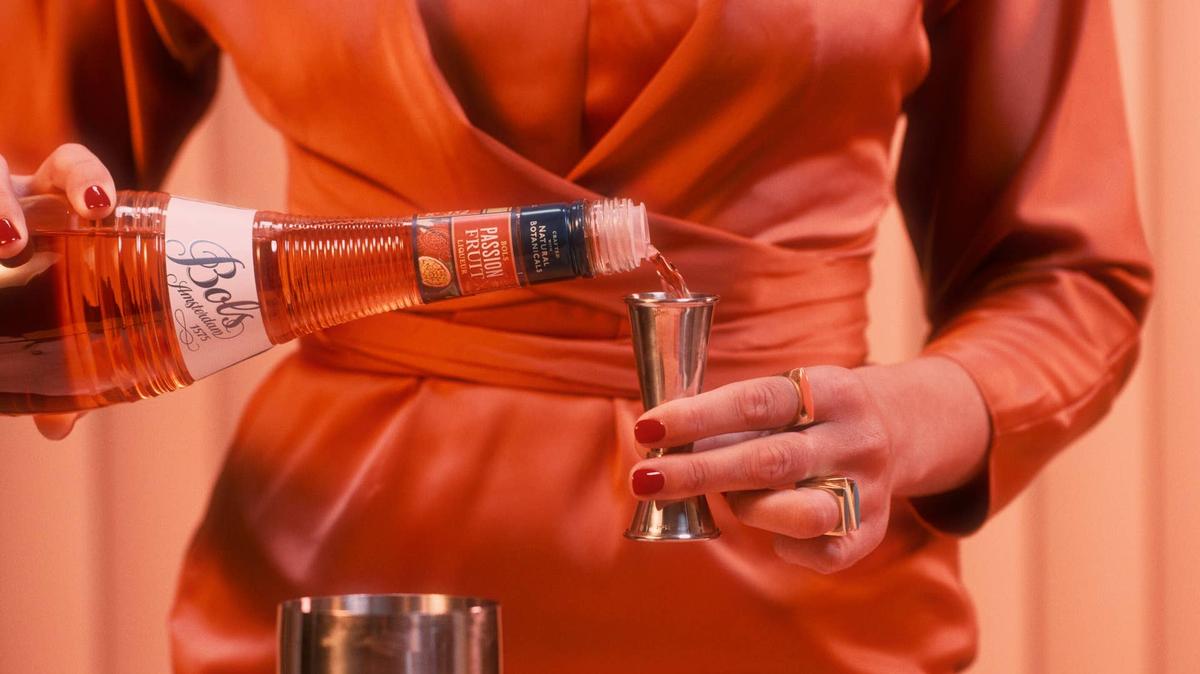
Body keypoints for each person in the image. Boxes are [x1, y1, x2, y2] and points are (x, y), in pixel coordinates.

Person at [0, 0, 1152, 671]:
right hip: (340, 609)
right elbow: (33, 210)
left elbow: (1067, 270)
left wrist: (914, 419)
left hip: (810, 621)